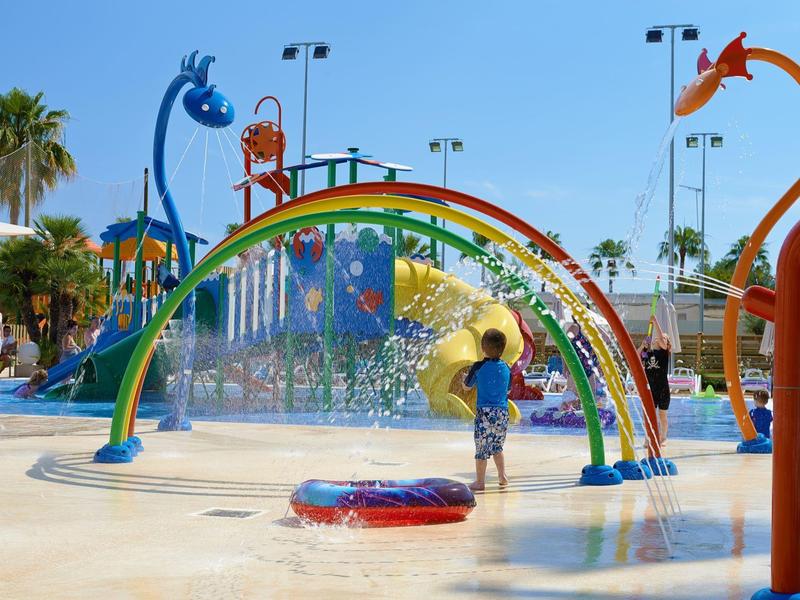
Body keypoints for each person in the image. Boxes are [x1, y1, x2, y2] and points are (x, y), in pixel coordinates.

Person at [463, 328, 511, 491]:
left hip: (485, 413)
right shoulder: (506, 367)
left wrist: (465, 380)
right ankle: (502, 476)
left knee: (482, 448)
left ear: (483, 347)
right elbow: (508, 390)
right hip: (502, 413)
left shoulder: (478, 366)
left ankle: (480, 482)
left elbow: (467, 386)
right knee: (497, 446)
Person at [638, 317, 672, 445]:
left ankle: (663, 437)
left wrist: (656, 322)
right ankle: (648, 437)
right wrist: (642, 346)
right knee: (649, 416)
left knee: (662, 416)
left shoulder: (663, 354)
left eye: (662, 338)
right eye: (657, 337)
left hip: (663, 389)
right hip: (650, 390)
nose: (658, 338)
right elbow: (636, 356)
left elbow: (663, 341)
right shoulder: (647, 354)